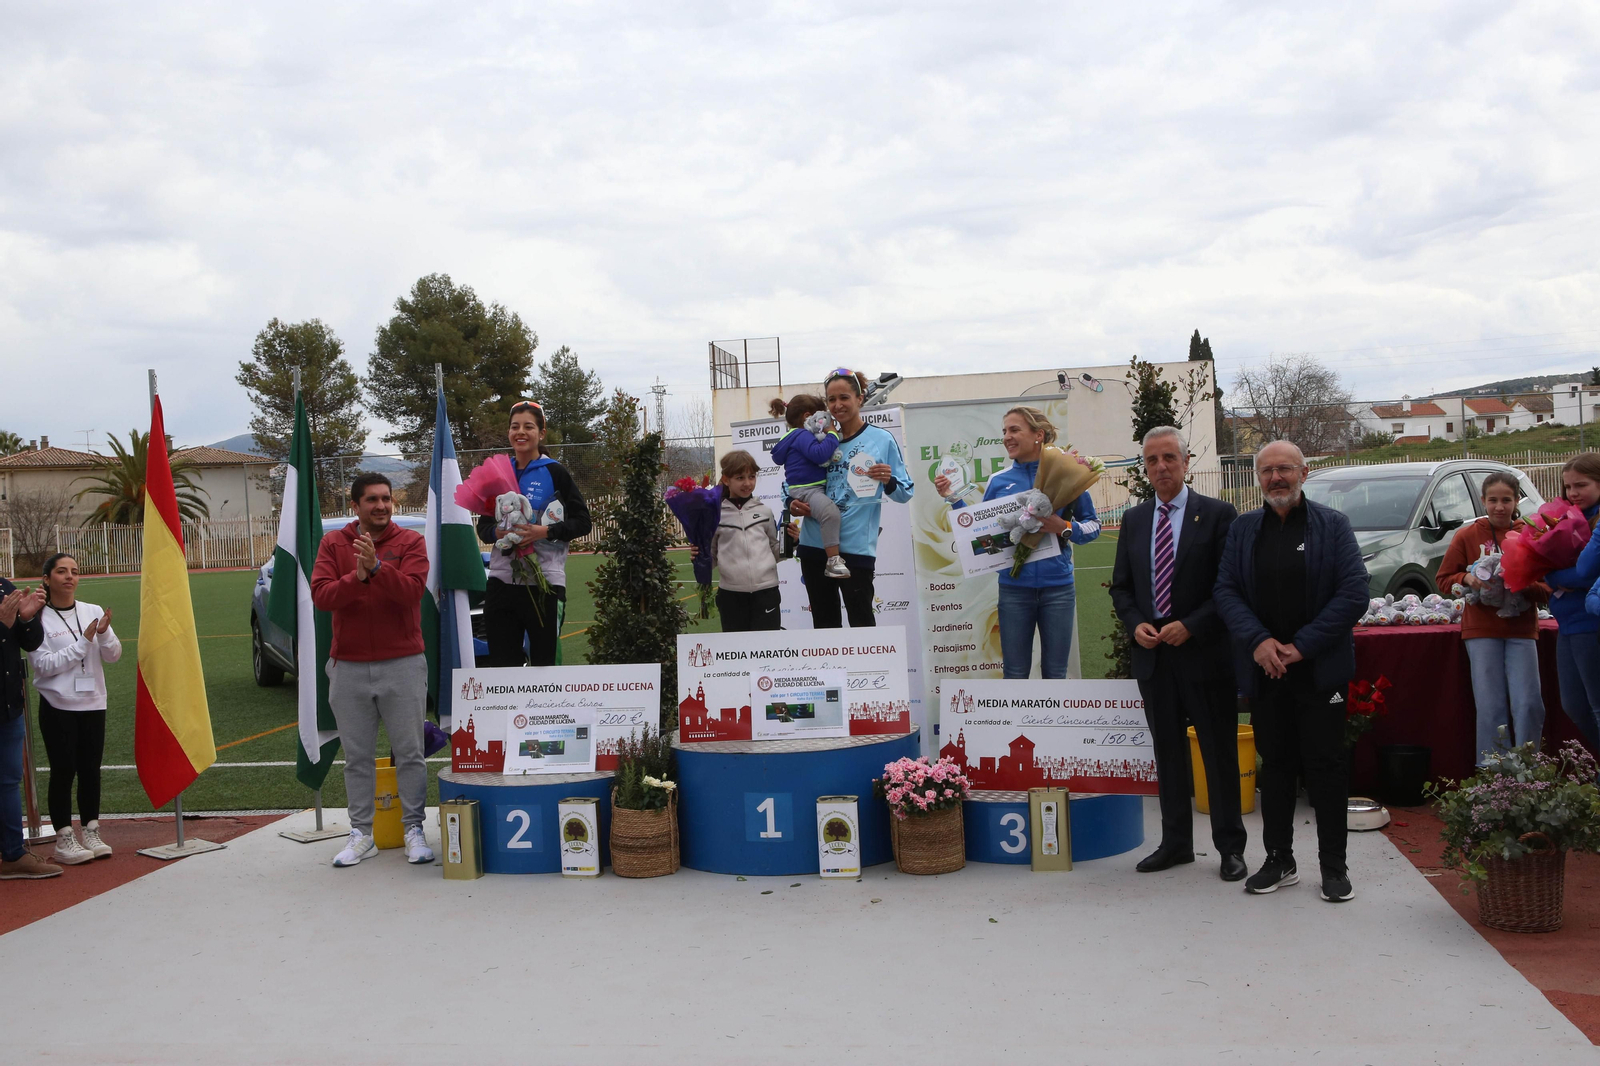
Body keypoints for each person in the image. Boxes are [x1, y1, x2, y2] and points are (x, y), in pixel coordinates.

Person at [1214, 441, 1368, 903]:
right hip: (1266, 671)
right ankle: (1280, 860)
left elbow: (1353, 593)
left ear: (1303, 472)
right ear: (1257, 478)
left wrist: (1301, 647)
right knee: (1276, 767)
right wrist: (1260, 642)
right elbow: (1226, 591)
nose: (1275, 478)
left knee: (1326, 768)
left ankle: (1334, 868)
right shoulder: (1243, 530)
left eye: (1284, 469)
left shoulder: (1333, 525)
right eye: (1266, 471)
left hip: (1318, 670)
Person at [1109, 427, 1245, 880]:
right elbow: (1122, 588)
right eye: (1152, 460)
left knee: (1218, 753)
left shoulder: (1219, 515)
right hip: (1155, 659)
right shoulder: (1133, 520)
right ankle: (1176, 844)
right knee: (1167, 754)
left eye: (1169, 457)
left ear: (1186, 463)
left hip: (1205, 656)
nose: (1161, 467)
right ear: (1144, 468)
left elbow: (1229, 587)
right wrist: (1135, 624)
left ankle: (1230, 848)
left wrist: (1192, 624)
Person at [311, 473, 434, 869]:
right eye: (371, 500)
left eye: (386, 499)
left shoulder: (410, 542)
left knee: (411, 753)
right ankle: (361, 834)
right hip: (347, 667)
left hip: (402, 664)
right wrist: (358, 575)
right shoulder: (333, 543)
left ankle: (413, 829)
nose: (381, 506)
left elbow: (413, 593)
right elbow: (322, 596)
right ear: (355, 506)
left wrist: (378, 569)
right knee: (358, 758)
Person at [934, 405, 1101, 677]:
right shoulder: (999, 481)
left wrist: (1064, 527)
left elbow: (1093, 525)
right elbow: (981, 535)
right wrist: (954, 498)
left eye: (1014, 430)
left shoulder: (1067, 474)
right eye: (1004, 431)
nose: (1007, 437)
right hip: (1014, 591)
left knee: (1056, 672)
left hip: (1058, 589)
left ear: (1039, 435)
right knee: (1014, 672)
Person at [787, 369, 913, 628]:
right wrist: (790, 503)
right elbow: (790, 482)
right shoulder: (816, 438)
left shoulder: (880, 440)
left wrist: (888, 480)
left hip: (856, 549)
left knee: (862, 624)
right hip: (814, 547)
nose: (837, 405)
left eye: (844, 397)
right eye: (831, 400)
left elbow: (905, 492)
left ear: (860, 397)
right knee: (825, 626)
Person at [1436, 471, 1547, 762]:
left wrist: (1523, 583)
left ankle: (1528, 769)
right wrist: (1467, 579)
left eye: (1506, 500)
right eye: (1494, 500)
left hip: (1521, 629)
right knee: (1490, 706)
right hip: (1481, 631)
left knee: (1528, 703)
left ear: (1516, 501)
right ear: (1483, 501)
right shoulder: (1468, 534)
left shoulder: (1530, 533)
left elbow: (1548, 587)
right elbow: (1444, 579)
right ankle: (1493, 775)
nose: (1500, 507)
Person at [477, 400, 592, 667]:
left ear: (541, 433)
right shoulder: (497, 473)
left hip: (545, 584)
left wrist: (544, 531)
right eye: (515, 427)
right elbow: (483, 528)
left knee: (544, 664)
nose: (521, 432)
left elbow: (583, 522)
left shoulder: (555, 471)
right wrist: (499, 531)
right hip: (502, 582)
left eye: (529, 426)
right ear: (508, 433)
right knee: (503, 665)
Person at [29, 553, 121, 866]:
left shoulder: (91, 611)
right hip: (58, 705)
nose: (69, 577)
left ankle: (91, 831)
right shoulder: (38, 617)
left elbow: (113, 656)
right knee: (64, 769)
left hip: (94, 701)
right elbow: (43, 665)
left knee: (90, 770)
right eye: (61, 571)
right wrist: (83, 643)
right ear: (46, 579)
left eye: (75, 572)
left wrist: (105, 633)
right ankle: (64, 837)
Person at [0, 578, 57, 879]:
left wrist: (27, 618)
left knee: (9, 780)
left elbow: (31, 642)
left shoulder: (3, 587)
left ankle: (12, 854)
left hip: (8, 705)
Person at [1544, 453, 1600, 754]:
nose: (1573, 493)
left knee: (1596, 705)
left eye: (1582, 485)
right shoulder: (1563, 519)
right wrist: (1551, 575)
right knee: (1574, 706)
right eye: (1568, 487)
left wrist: (1557, 575)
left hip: (1591, 623)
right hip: (1567, 622)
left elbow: (1586, 572)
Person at [696, 450, 782, 631]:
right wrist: (699, 556)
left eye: (752, 476)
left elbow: (775, 551)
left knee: (768, 651)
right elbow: (711, 558)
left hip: (767, 592)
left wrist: (791, 543)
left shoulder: (765, 511)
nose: (748, 483)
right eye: (740, 477)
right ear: (726, 480)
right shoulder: (715, 514)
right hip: (731, 596)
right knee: (737, 654)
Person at [769, 395, 848, 579]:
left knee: (828, 513)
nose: (825, 422)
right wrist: (832, 434)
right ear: (808, 417)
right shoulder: (802, 435)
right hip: (808, 490)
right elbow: (819, 454)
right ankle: (833, 561)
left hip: (805, 489)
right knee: (830, 514)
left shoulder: (794, 437)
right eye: (822, 417)